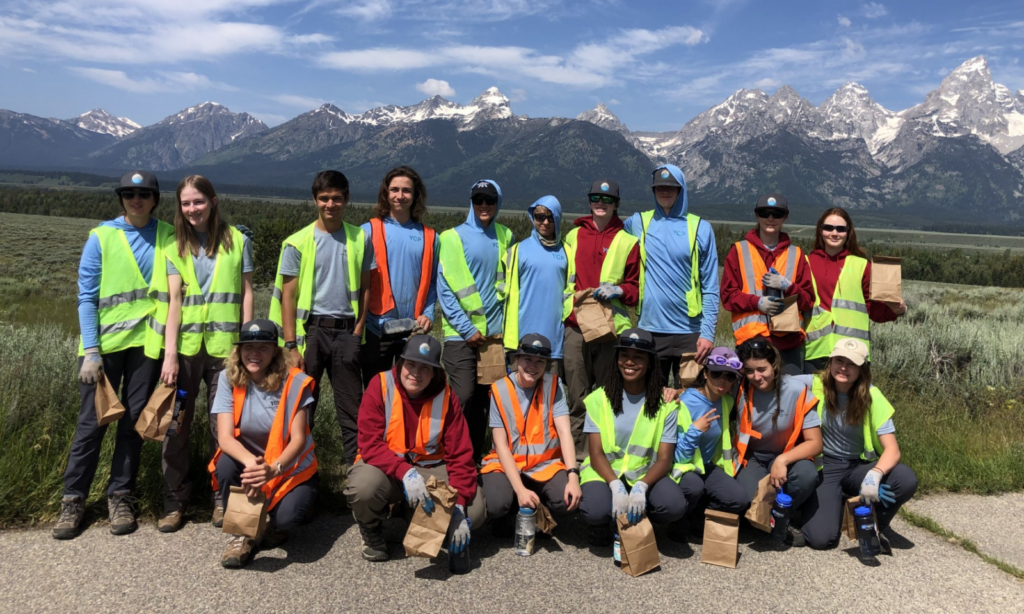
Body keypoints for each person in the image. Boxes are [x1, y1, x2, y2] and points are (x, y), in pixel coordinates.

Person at [53, 170, 174, 540]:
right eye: (128, 193)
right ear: (120, 198)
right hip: (102, 350)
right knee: (92, 423)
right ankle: (73, 499)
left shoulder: (168, 234)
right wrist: (91, 351)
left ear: (155, 198)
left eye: (143, 193)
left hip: (146, 347)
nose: (135, 199)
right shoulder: (101, 237)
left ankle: (121, 495)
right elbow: (86, 297)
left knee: (133, 423)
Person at [154, 175, 254, 532]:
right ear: (179, 207)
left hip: (225, 353)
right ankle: (174, 500)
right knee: (176, 425)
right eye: (186, 203)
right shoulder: (172, 246)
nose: (193, 209)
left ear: (213, 201)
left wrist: (244, 346)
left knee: (222, 425)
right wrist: (169, 355)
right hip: (185, 353)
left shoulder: (239, 240)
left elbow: (245, 294)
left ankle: (221, 497)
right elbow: (174, 303)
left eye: (198, 201)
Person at [344, 335, 484, 562]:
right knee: (363, 487)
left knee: (474, 511)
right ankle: (371, 528)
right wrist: (405, 472)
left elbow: (461, 456)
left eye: (425, 368)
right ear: (400, 363)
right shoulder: (379, 385)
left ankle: (412, 512)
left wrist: (457, 507)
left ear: (436, 372)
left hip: (430, 468)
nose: (416, 373)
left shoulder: (447, 396)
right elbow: (369, 443)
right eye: (411, 364)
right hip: (386, 468)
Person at [270, 170, 371, 466]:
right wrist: (290, 345)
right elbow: (287, 297)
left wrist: (358, 330)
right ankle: (300, 473)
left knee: (351, 408)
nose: (331, 204)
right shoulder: (296, 242)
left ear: (347, 199)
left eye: (337, 198)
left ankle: (357, 474)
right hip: (310, 333)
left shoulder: (360, 238)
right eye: (324, 198)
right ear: (315, 200)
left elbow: (366, 288)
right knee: (302, 407)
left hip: (346, 333)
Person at [208, 319, 318, 568]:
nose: (254, 354)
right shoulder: (228, 378)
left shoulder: (295, 381)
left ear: (275, 352)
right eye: (248, 347)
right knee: (225, 466)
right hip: (250, 461)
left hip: (289, 466)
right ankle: (241, 534)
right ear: (239, 351)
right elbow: (224, 437)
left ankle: (281, 519)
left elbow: (299, 439)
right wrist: (252, 464)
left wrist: (272, 469)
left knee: (288, 518)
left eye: (263, 347)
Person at [797, 339, 918, 551]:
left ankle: (874, 523)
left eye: (852, 363)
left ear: (862, 369)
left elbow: (892, 449)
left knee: (904, 479)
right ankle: (830, 505)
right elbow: (779, 380)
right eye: (839, 360)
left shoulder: (873, 396)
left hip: (857, 467)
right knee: (820, 539)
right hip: (825, 466)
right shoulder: (814, 383)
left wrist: (875, 474)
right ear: (831, 362)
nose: (844, 367)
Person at [578, 328, 687, 547]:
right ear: (616, 359)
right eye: (624, 356)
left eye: (638, 357)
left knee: (673, 505)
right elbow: (596, 452)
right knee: (595, 509)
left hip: (645, 474)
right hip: (605, 472)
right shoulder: (599, 398)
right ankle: (602, 523)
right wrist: (615, 485)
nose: (630, 362)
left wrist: (642, 486)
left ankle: (643, 517)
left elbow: (665, 458)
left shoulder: (664, 403)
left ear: (650, 363)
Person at [562, 179, 640, 461]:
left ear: (616, 205)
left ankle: (607, 454)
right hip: (575, 326)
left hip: (610, 329)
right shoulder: (573, 237)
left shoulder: (628, 241)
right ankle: (578, 459)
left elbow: (635, 290)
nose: (600, 203)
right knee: (577, 396)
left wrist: (620, 290)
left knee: (609, 395)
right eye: (595, 197)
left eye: (607, 199)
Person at [437, 179, 513, 460]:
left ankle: (475, 457)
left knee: (486, 402)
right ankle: (452, 454)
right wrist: (467, 329)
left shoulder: (505, 235)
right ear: (471, 202)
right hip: (461, 335)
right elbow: (445, 291)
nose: (484, 206)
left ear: (498, 203)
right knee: (463, 397)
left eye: (489, 201)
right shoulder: (451, 237)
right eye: (478, 200)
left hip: (494, 338)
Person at [623, 165, 719, 384]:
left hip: (691, 334)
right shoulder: (638, 222)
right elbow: (609, 233)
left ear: (681, 189)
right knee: (651, 400)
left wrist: (707, 334)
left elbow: (711, 288)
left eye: (671, 187)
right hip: (650, 330)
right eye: (659, 188)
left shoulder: (700, 228)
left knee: (690, 400)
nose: (665, 192)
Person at [479, 334, 581, 538]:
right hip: (505, 463)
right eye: (527, 359)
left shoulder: (554, 385)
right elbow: (501, 445)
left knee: (566, 499)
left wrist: (573, 475)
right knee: (496, 503)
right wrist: (520, 489)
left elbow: (564, 433)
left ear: (546, 364)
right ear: (517, 359)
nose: (533, 366)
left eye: (540, 361)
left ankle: (538, 509)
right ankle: (511, 511)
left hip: (544, 465)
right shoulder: (499, 390)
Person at [733, 337, 823, 546]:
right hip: (752, 458)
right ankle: (769, 518)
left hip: (787, 456)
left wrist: (782, 461)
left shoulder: (796, 390)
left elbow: (816, 443)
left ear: (774, 364)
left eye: (762, 369)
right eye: (749, 371)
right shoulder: (738, 387)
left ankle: (782, 516)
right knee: (746, 497)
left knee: (807, 475)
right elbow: (706, 391)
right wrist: (675, 392)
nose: (756, 377)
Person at [361, 166, 439, 385]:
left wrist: (429, 314)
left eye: (406, 190)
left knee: (410, 391)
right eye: (394, 189)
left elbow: (433, 283)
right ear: (386, 193)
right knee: (376, 389)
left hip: (414, 330)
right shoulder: (367, 231)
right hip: (375, 328)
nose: (400, 196)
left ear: (415, 196)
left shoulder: (430, 237)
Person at [720, 193, 815, 374]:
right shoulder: (739, 251)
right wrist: (757, 302)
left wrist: (789, 287)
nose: (770, 218)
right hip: (751, 342)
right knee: (750, 400)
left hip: (788, 343)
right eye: (765, 213)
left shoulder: (796, 254)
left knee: (791, 397)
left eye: (777, 214)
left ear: (785, 217)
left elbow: (807, 301)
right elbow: (728, 296)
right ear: (757, 216)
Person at [804, 207, 907, 371]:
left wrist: (895, 310)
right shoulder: (805, 263)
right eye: (829, 228)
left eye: (840, 229)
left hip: (853, 354)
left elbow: (873, 310)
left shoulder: (862, 266)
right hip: (815, 352)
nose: (834, 233)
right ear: (820, 230)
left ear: (848, 232)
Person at [670, 347, 751, 535]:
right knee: (694, 487)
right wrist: (694, 431)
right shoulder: (684, 402)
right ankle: (679, 516)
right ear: (705, 373)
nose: (722, 381)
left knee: (739, 500)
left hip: (707, 466)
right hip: (680, 468)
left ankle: (698, 512)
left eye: (730, 376)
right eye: (716, 374)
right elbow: (679, 458)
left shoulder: (727, 401)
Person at [502, 195, 572, 376]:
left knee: (549, 397)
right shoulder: (516, 251)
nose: (545, 222)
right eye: (540, 216)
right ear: (532, 217)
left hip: (555, 340)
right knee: (519, 395)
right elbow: (501, 292)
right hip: (520, 339)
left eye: (550, 217)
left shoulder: (568, 252)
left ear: (558, 218)